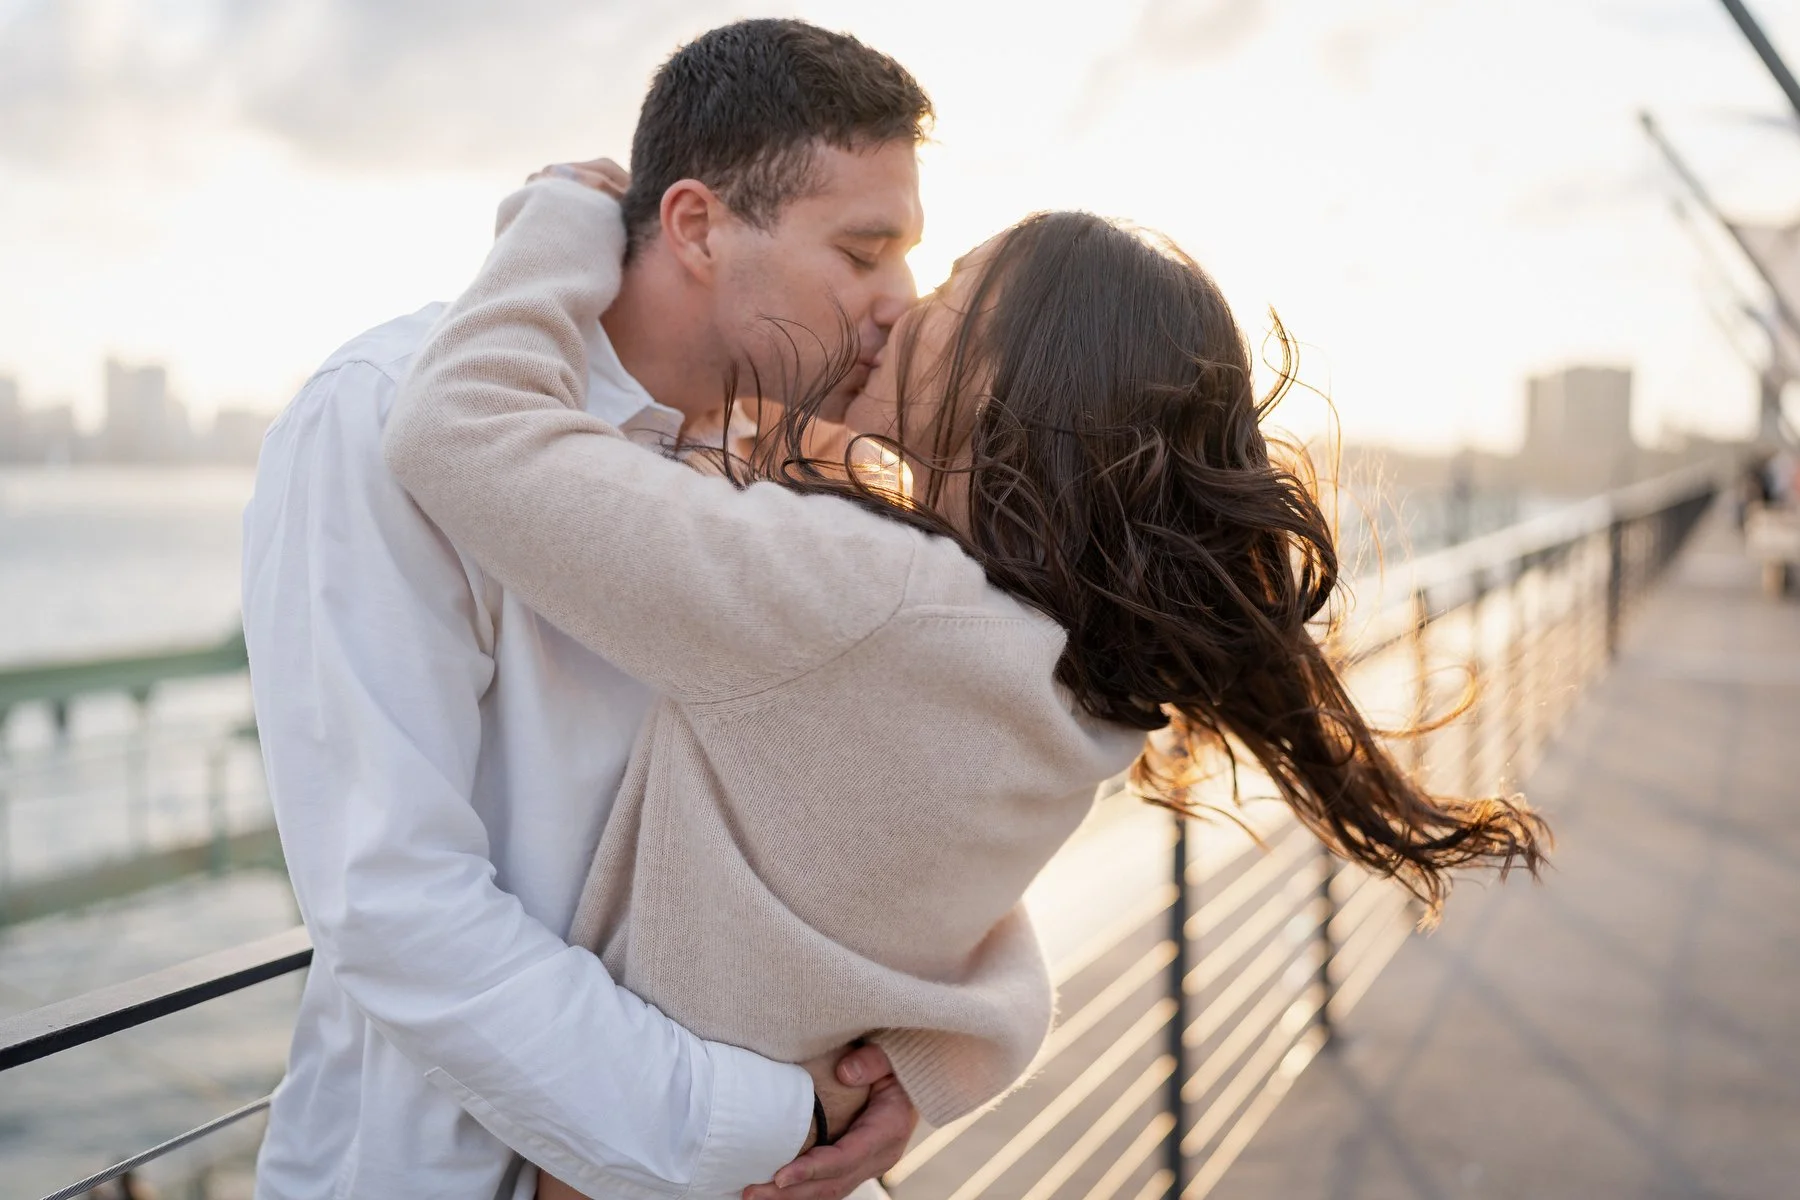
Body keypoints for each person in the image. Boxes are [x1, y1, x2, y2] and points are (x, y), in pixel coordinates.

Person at [382, 175, 1551, 1196]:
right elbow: (946, 914)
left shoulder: (868, 599)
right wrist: (946, 1058)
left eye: (945, 295)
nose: (899, 306)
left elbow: (456, 428)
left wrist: (565, 217)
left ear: (1011, 373)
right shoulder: (1075, 680)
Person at [241, 20, 932, 1200]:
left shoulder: (789, 467)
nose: (899, 300)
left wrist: (908, 1055)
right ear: (698, 226)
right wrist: (764, 1116)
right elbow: (395, 900)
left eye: (908, 253)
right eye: (864, 251)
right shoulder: (375, 417)